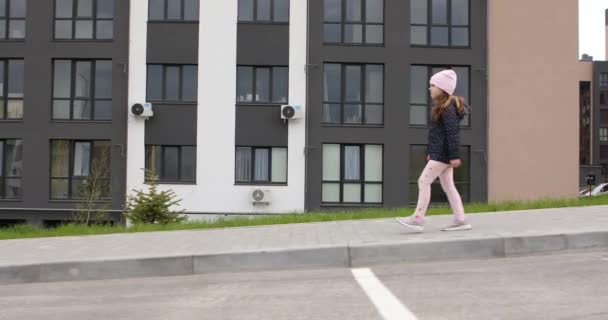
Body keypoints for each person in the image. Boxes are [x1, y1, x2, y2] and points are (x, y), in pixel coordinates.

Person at [396, 69, 472, 232]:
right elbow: (438, 134)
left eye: (432, 85)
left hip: (443, 155)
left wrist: (454, 156)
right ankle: (460, 220)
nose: (429, 88)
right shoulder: (443, 108)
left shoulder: (448, 109)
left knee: (423, 181)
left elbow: (452, 134)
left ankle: (417, 219)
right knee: (448, 186)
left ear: (442, 89)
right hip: (441, 154)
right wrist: (432, 151)